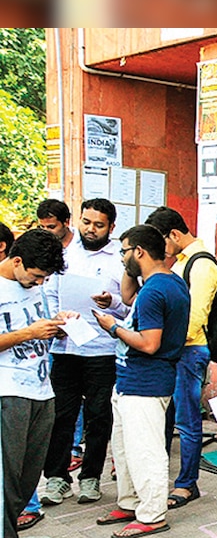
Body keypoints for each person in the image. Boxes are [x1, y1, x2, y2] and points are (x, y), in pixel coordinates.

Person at [93, 225, 190, 538]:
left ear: (139, 252)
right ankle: (130, 502)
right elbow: (127, 296)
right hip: (130, 381)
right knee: (124, 449)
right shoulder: (168, 283)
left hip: (145, 383)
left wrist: (112, 327)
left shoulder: (154, 291)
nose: (121, 259)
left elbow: (149, 343)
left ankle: (151, 514)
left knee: (145, 451)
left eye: (124, 252)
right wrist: (128, 271)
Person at [39, 199, 128, 509]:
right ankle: (57, 478)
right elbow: (48, 291)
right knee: (60, 415)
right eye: (87, 222)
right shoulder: (65, 255)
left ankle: (90, 477)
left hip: (103, 350)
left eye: (98, 224)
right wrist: (55, 320)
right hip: (65, 347)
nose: (91, 229)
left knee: (99, 416)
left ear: (111, 227)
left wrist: (112, 302)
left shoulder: (120, 259)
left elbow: (131, 305)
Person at [0, 229, 68, 538]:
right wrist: (28, 334)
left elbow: (36, 325)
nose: (39, 282)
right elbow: (20, 333)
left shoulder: (35, 286)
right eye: (36, 275)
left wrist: (56, 327)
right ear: (16, 261)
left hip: (41, 388)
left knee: (28, 477)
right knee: (4, 478)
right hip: (7, 391)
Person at [145, 206, 217, 510]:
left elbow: (193, 318)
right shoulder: (180, 263)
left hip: (189, 350)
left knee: (188, 422)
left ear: (174, 235)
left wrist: (161, 342)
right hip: (175, 350)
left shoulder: (201, 265)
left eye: (160, 242)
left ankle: (187, 483)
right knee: (166, 418)